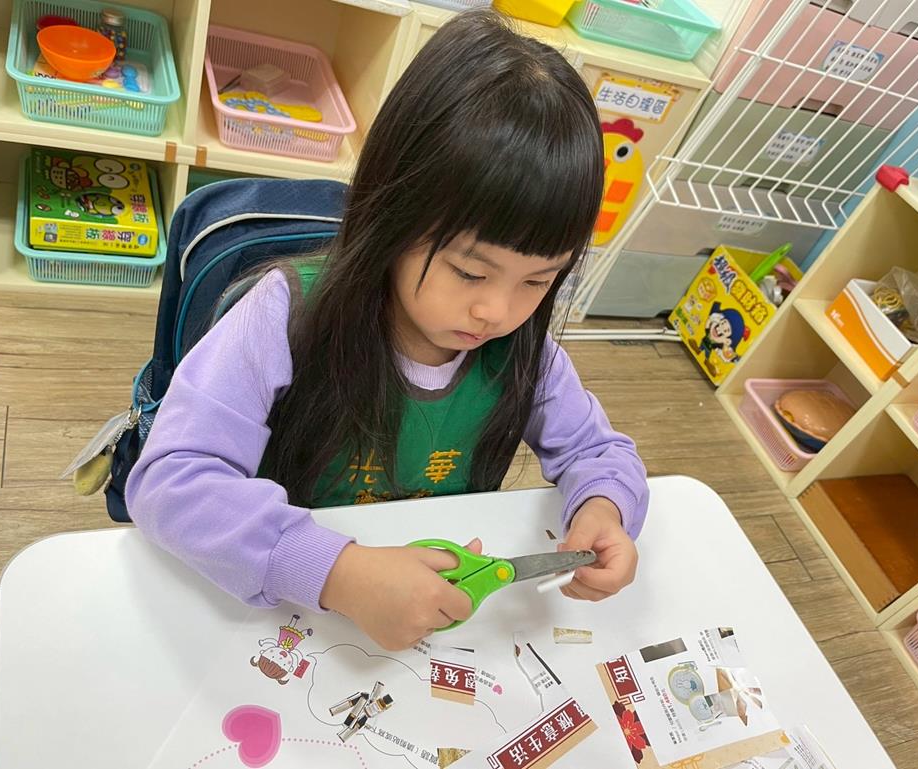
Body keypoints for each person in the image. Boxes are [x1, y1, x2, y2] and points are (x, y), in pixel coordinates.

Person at [127, 10, 649, 651]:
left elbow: (599, 452)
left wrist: (604, 508)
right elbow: (172, 480)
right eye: (470, 272)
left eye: (538, 281)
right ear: (392, 214)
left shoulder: (524, 351)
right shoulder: (285, 313)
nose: (497, 312)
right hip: (284, 605)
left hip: (429, 617)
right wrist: (339, 573)